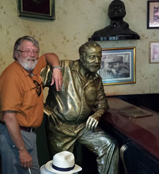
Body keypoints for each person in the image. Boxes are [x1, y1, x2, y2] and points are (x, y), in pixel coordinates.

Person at [41, 41, 119, 174]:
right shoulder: (62, 68)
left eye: (99, 57)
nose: (96, 61)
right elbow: (32, 86)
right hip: (61, 128)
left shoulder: (97, 79)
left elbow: (103, 104)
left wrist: (98, 114)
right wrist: (44, 110)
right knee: (63, 167)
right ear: (82, 57)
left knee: (109, 145)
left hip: (83, 127)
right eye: (92, 57)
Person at [0, 36, 63, 174]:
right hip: (15, 136)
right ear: (16, 54)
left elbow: (50, 56)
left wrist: (56, 68)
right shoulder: (12, 76)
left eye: (35, 51)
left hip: (29, 134)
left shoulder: (31, 67)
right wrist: (22, 150)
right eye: (26, 51)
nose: (32, 54)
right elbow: (9, 117)